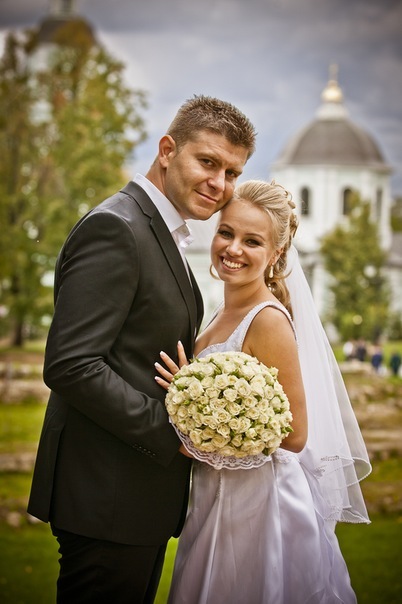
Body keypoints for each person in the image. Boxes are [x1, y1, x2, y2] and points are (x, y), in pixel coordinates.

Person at [27, 95, 257, 604]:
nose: (219, 183)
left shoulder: (158, 230)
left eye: (232, 173)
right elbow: (71, 364)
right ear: (167, 150)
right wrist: (175, 432)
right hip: (106, 495)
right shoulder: (117, 227)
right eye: (208, 162)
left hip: (133, 499)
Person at [156, 179, 371, 604]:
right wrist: (189, 396)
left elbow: (295, 435)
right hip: (216, 493)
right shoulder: (221, 310)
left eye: (252, 241)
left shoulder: (268, 320)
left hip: (257, 504)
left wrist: (198, 433)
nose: (233, 248)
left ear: (276, 253)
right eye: (226, 232)